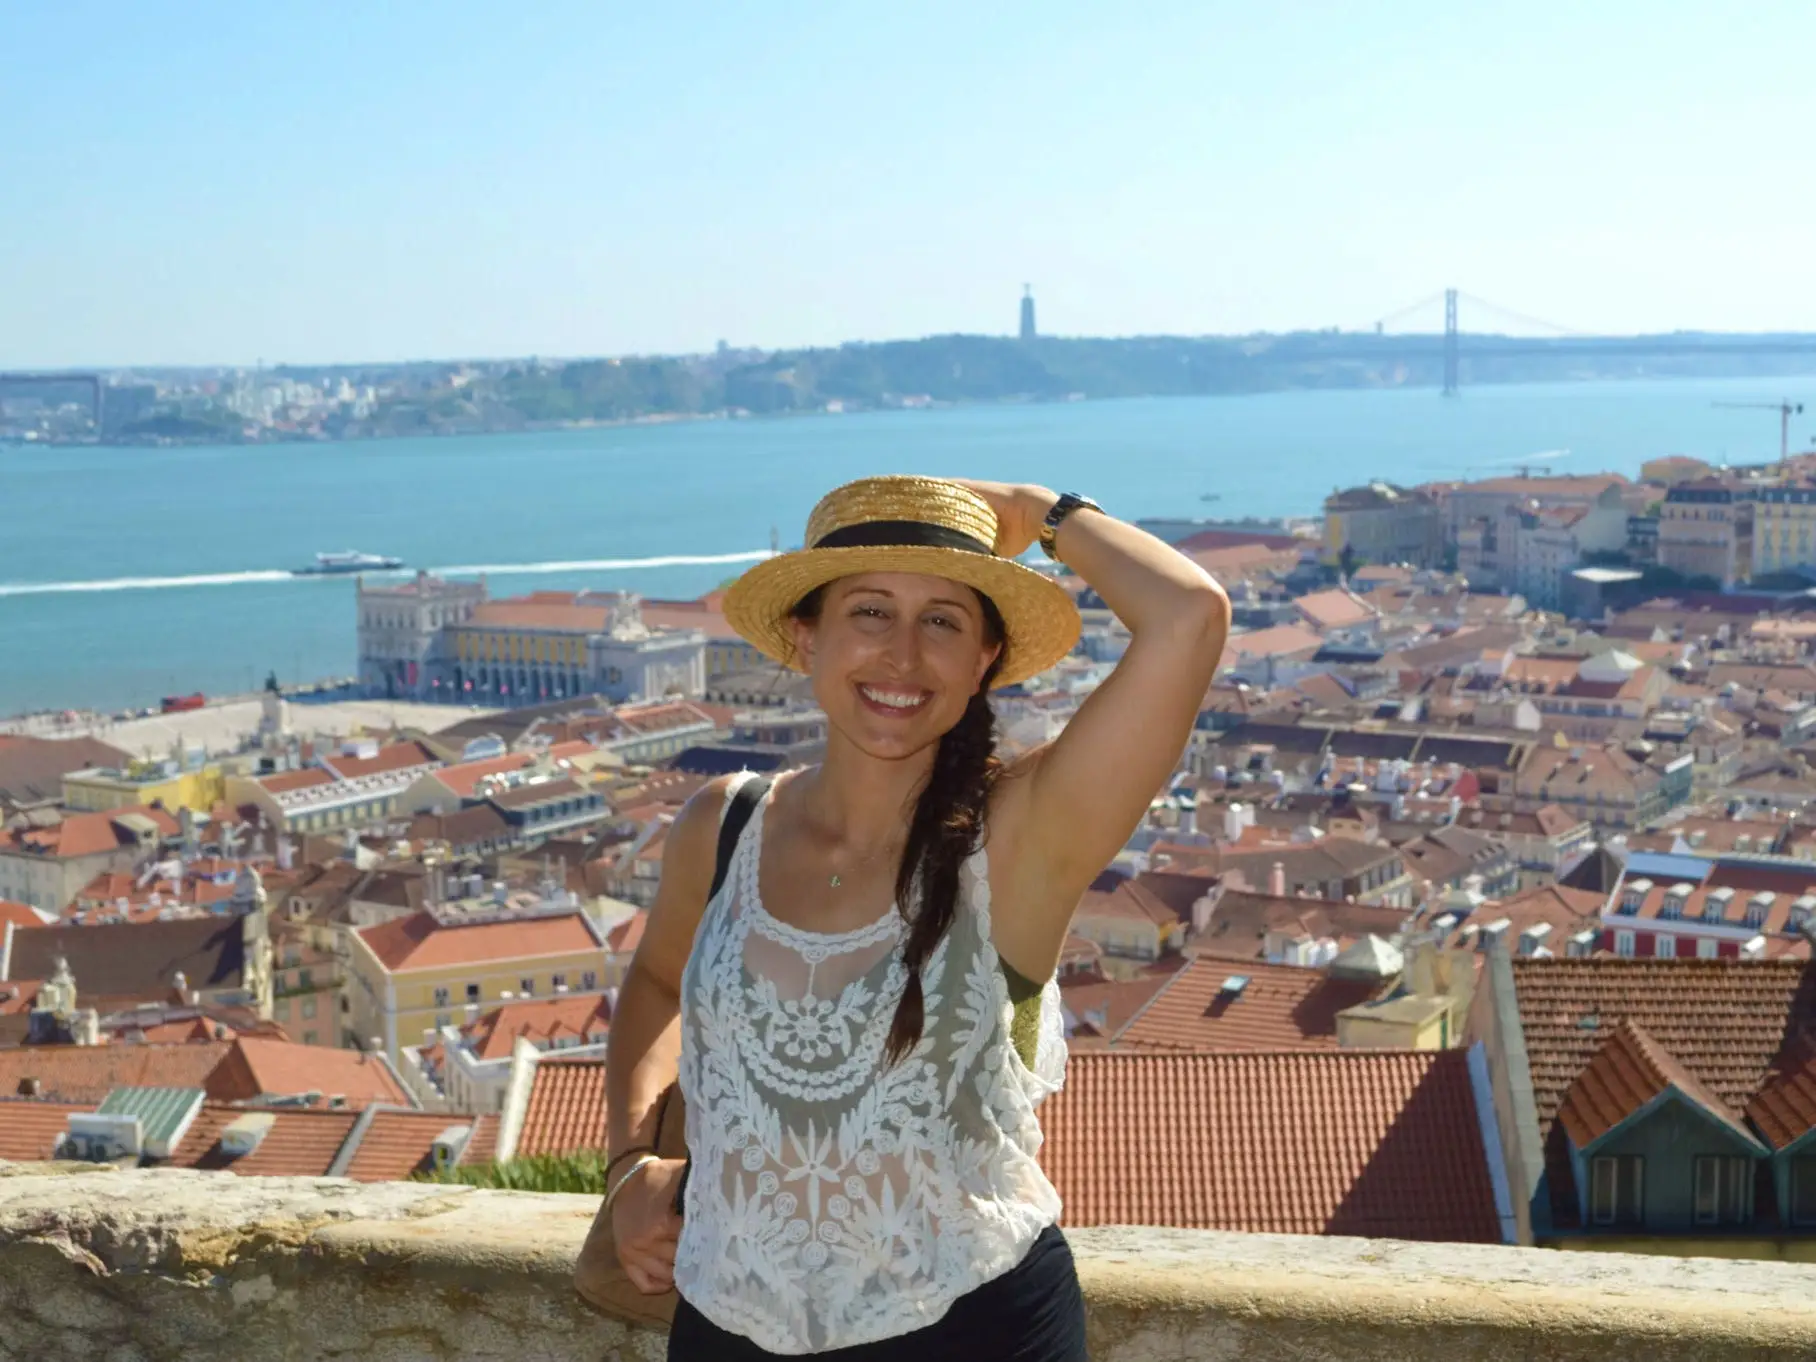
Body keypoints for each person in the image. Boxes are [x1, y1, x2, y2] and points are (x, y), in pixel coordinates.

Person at [605, 475, 1229, 1360]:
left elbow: (1189, 617)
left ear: (985, 659)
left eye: (942, 620)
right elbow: (659, 981)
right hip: (724, 1327)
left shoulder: (1019, 840)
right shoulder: (724, 824)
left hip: (970, 1331)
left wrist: (1039, 512)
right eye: (869, 612)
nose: (902, 656)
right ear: (804, 634)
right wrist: (629, 1164)